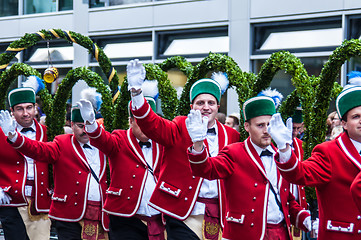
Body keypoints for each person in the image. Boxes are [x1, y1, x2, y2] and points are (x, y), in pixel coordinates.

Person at [128, 59, 240, 239]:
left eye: (211, 103)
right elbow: (152, 125)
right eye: (200, 102)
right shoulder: (180, 125)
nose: (205, 107)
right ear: (191, 106)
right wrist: (136, 93)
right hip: (183, 212)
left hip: (219, 215)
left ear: (218, 106)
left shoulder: (230, 135)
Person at [186, 95, 311, 240]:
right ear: (247, 127)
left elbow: (286, 201)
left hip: (280, 235)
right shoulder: (234, 152)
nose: (266, 130)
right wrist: (198, 144)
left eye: (269, 125)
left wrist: (306, 219)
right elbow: (205, 169)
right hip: (244, 235)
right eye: (260, 125)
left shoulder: (282, 156)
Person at [267, 81, 361, 240]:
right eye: (356, 116)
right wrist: (284, 148)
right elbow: (299, 174)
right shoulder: (329, 151)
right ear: (343, 123)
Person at [1, 107, 109, 240]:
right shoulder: (63, 143)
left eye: (89, 126)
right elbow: (37, 150)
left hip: (101, 214)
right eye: (81, 126)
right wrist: (14, 136)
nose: (85, 131)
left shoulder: (106, 143)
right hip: (69, 215)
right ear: (72, 125)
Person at [77, 87, 166, 239]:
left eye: (150, 120)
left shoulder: (163, 141)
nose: (147, 125)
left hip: (159, 219)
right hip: (126, 218)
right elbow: (102, 140)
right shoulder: (120, 138)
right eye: (140, 120)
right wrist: (91, 124)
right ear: (130, 121)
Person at [0, 85, 51, 240]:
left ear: (36, 108)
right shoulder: (2, 132)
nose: (26, 113)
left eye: (29, 107)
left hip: (41, 198)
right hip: (10, 198)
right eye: (19, 109)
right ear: (12, 111)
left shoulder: (48, 132)